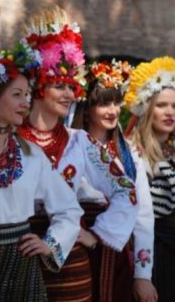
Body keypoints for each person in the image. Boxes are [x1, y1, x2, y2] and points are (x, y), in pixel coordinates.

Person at [16, 7, 139, 301]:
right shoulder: (10, 140)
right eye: (59, 86)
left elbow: (126, 191)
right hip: (18, 256)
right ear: (37, 88)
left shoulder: (80, 142)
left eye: (72, 87)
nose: (69, 95)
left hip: (71, 264)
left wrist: (95, 235)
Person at [0, 50, 82, 301]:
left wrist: (50, 243)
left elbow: (68, 208)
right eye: (17, 95)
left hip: (22, 265)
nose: (26, 103)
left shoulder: (32, 154)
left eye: (27, 96)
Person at [70, 59, 157, 302]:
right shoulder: (70, 148)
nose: (113, 110)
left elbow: (143, 216)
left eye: (117, 102)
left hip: (117, 252)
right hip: (77, 248)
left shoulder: (130, 155)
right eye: (104, 103)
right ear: (86, 108)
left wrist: (143, 275)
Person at [124, 56, 175, 301]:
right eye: (162, 105)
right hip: (155, 252)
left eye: (174, 106)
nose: (170, 113)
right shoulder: (134, 153)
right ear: (147, 108)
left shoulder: (173, 150)